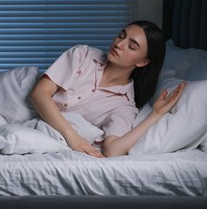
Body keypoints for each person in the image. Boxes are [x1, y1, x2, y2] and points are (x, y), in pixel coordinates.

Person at [29, 20, 186, 158]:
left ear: (142, 62)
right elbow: (39, 93)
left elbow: (113, 150)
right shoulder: (82, 54)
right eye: (121, 36)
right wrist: (73, 138)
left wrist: (155, 115)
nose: (118, 44)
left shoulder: (123, 105)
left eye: (131, 46)